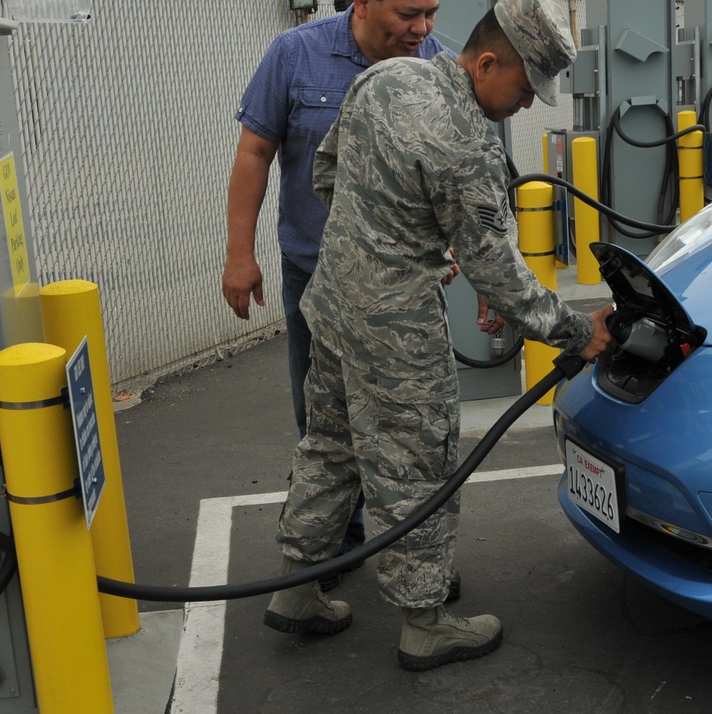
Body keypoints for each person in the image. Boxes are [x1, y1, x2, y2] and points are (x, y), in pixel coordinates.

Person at [261, 0, 616, 671]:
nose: (522, 106)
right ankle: (424, 625)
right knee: (417, 464)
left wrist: (390, 236)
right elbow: (497, 269)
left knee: (330, 445)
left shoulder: (386, 78)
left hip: (335, 299)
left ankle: (297, 589)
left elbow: (327, 173)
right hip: (395, 327)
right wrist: (574, 331)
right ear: (487, 62)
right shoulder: (465, 140)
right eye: (521, 90)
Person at [222, 0, 467, 594]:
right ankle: (335, 545)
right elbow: (255, 152)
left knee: (412, 431)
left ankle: (412, 557)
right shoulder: (296, 54)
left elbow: (456, 174)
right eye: (410, 12)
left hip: (403, 288)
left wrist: (454, 249)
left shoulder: (440, 66)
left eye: (432, 12)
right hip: (315, 275)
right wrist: (239, 253)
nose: (424, 29)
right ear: (363, 3)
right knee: (324, 423)